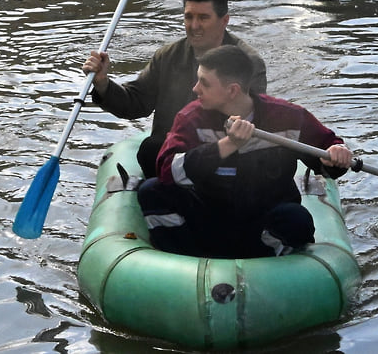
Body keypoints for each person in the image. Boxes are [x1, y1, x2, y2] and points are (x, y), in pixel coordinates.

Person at [138, 45, 352, 259]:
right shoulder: (191, 118)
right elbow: (166, 170)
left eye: (204, 82)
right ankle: (186, 262)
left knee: (296, 219)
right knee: (151, 191)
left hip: (261, 222)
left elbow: (326, 150)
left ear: (232, 90)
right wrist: (226, 146)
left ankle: (267, 267)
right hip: (207, 217)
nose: (195, 88)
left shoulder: (288, 116)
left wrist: (337, 153)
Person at [84, 0, 267, 178]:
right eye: (189, 17)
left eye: (203, 18)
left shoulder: (249, 64)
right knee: (151, 149)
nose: (194, 26)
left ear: (224, 20)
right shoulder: (167, 56)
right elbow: (136, 103)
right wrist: (103, 83)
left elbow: (252, 121)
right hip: (172, 152)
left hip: (223, 155)